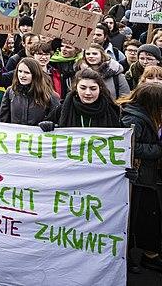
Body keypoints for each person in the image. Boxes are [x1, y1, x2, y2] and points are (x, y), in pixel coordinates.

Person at [117, 82, 162, 274]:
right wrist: (157, 150)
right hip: (137, 177)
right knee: (136, 220)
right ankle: (130, 258)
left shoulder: (142, 114)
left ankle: (148, 254)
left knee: (148, 218)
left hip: (145, 176)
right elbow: (130, 146)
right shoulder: (132, 119)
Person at [47, 68, 121, 129]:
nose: (88, 93)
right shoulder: (63, 109)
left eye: (93, 89)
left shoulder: (111, 110)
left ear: (100, 89)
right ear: (76, 88)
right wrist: (47, 125)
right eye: (83, 88)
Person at [0, 57, 61, 125]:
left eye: (27, 73)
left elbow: (59, 123)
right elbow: (3, 122)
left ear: (35, 75)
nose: (22, 75)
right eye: (20, 71)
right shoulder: (10, 92)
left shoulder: (51, 96)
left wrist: (50, 124)